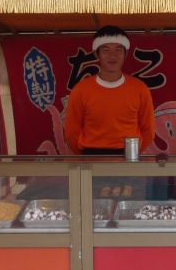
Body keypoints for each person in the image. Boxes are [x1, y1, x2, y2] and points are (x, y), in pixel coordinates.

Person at [62, 25, 158, 200]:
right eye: (105, 50)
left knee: (129, 213)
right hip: (92, 161)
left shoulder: (139, 89)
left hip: (129, 161)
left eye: (118, 50)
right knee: (93, 212)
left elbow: (148, 131)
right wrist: (90, 155)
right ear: (97, 54)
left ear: (125, 54)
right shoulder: (81, 90)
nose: (112, 56)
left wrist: (132, 153)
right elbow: (71, 133)